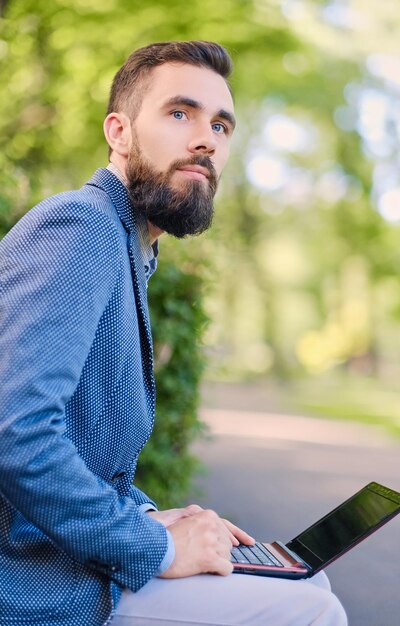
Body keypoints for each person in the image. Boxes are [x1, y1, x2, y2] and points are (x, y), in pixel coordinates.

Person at [0, 41, 347, 626]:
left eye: (220, 124)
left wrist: (153, 516)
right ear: (119, 132)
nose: (206, 138)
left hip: (72, 564)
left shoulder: (128, 248)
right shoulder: (79, 228)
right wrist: (154, 548)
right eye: (179, 113)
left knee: (302, 582)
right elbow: (17, 434)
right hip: (36, 587)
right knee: (308, 607)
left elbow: (86, 454)